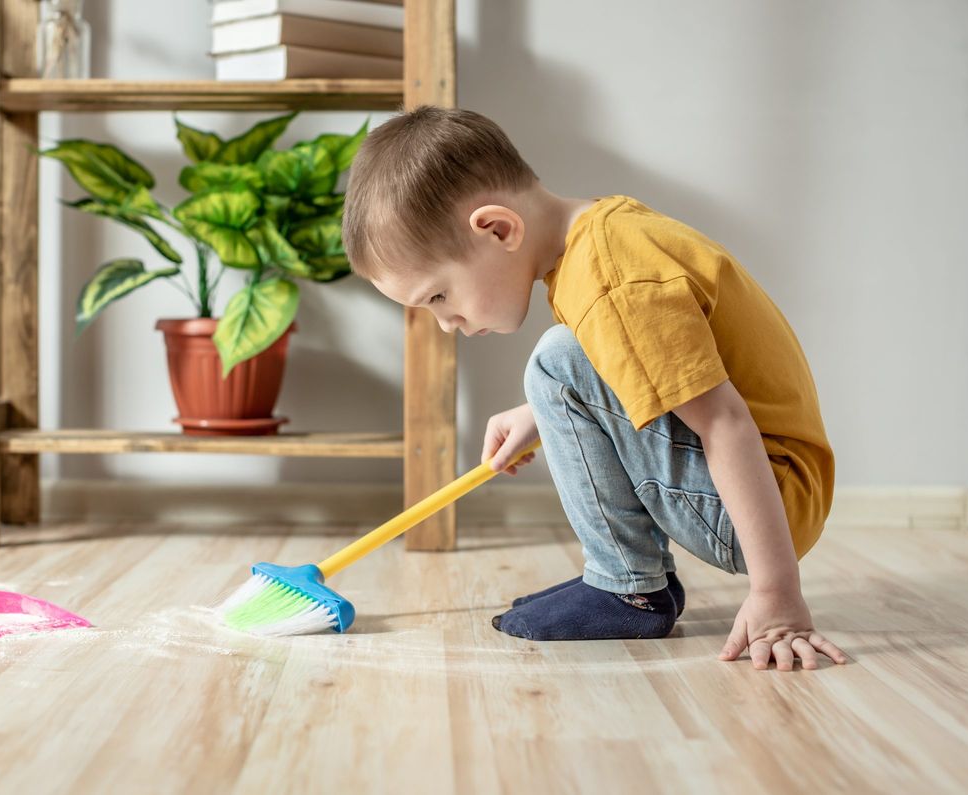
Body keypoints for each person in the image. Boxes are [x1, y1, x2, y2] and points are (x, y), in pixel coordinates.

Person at [340, 106, 847, 670]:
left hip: (760, 507)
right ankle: (630, 582)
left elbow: (724, 421)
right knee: (560, 368)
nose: (446, 323)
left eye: (438, 296)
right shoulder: (604, 239)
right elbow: (633, 366)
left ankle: (626, 588)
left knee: (555, 360)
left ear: (498, 229)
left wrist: (777, 597)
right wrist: (542, 412)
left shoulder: (611, 283)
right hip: (774, 492)